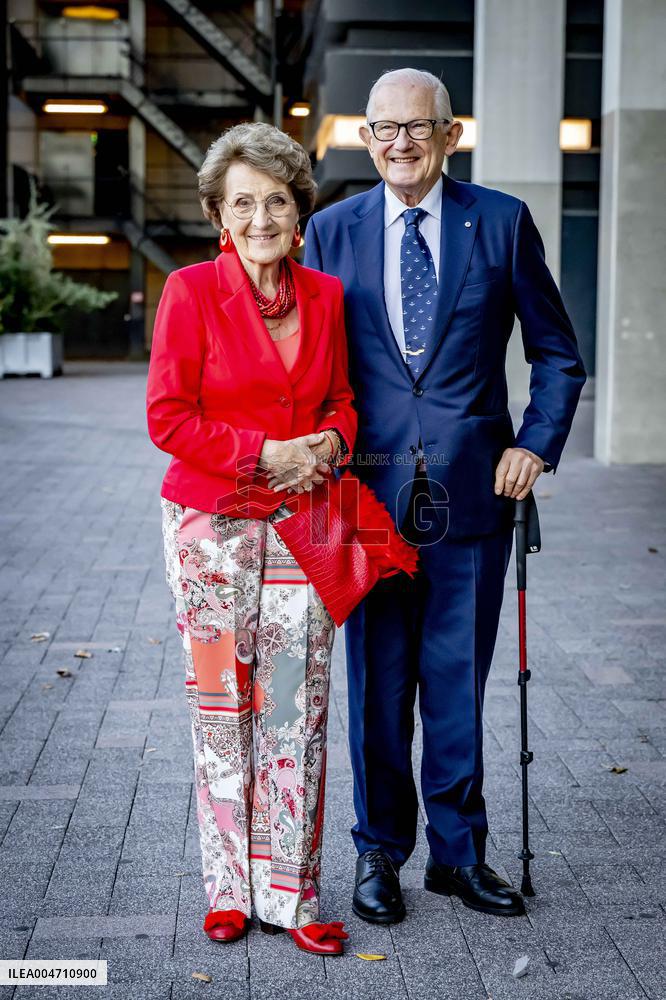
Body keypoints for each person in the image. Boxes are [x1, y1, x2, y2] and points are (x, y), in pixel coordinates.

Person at [304, 68, 586, 922]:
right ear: (366, 138)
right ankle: (380, 855)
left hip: (471, 497)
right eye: (381, 128)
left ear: (450, 134)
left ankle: (458, 858)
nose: (398, 143)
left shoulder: (499, 222)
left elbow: (558, 354)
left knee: (457, 684)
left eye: (416, 128)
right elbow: (307, 366)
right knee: (377, 689)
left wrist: (533, 445)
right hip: (366, 500)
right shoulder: (331, 231)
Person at [146, 122, 356, 953]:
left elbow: (342, 398)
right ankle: (229, 887)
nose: (261, 217)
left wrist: (334, 443)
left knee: (295, 712)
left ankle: (293, 896)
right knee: (222, 709)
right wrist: (265, 454)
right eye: (243, 203)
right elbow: (167, 417)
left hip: (307, 522)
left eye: (275, 200)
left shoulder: (329, 297)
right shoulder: (190, 292)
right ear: (218, 216)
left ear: (297, 213)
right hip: (210, 526)